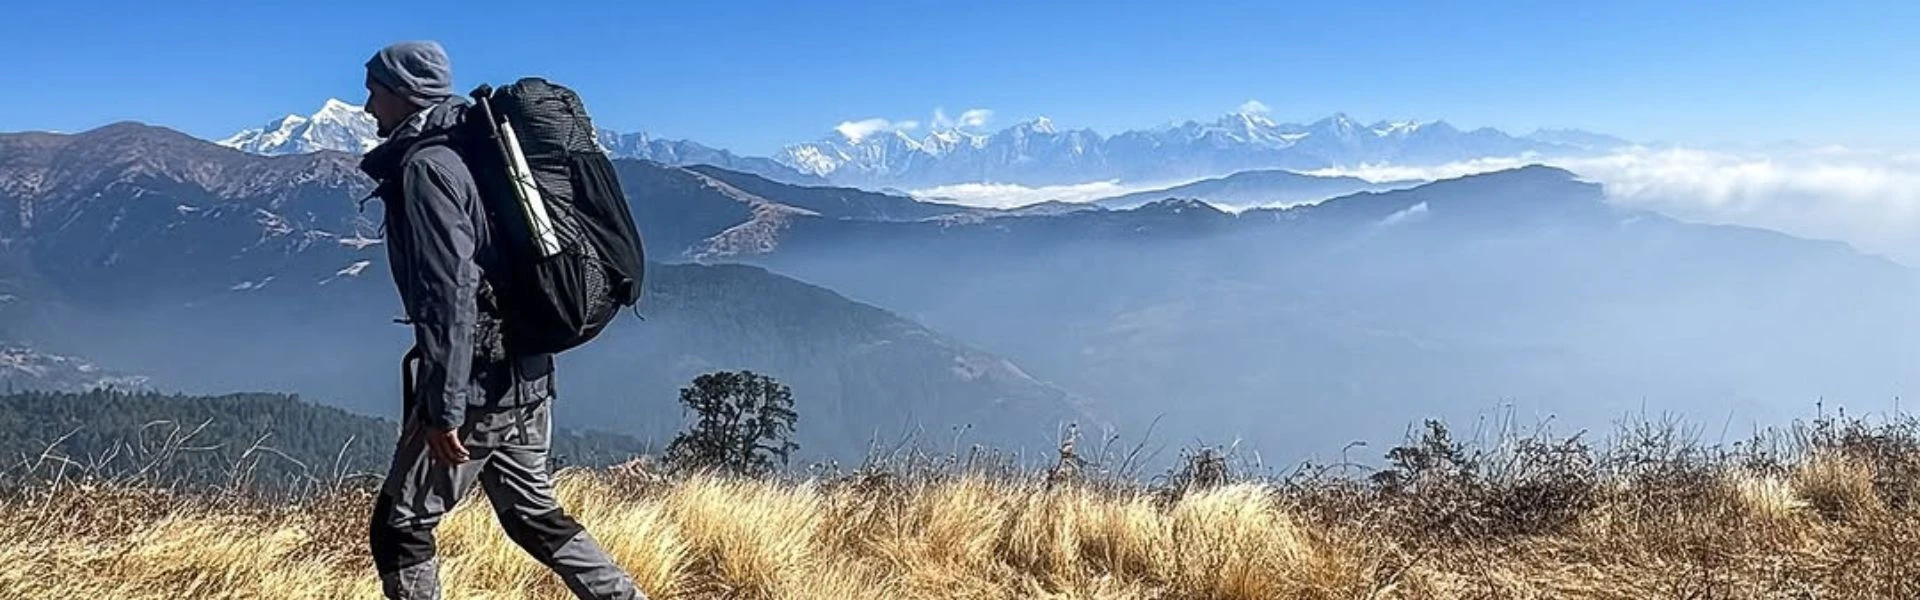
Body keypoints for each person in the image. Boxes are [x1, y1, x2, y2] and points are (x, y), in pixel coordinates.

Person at [356, 40, 644, 600]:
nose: (368, 107)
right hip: (528, 368)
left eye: (374, 92)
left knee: (401, 527)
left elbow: (450, 292)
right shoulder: (475, 148)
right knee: (532, 514)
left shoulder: (428, 167)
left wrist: (444, 408)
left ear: (403, 93)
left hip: (479, 381)